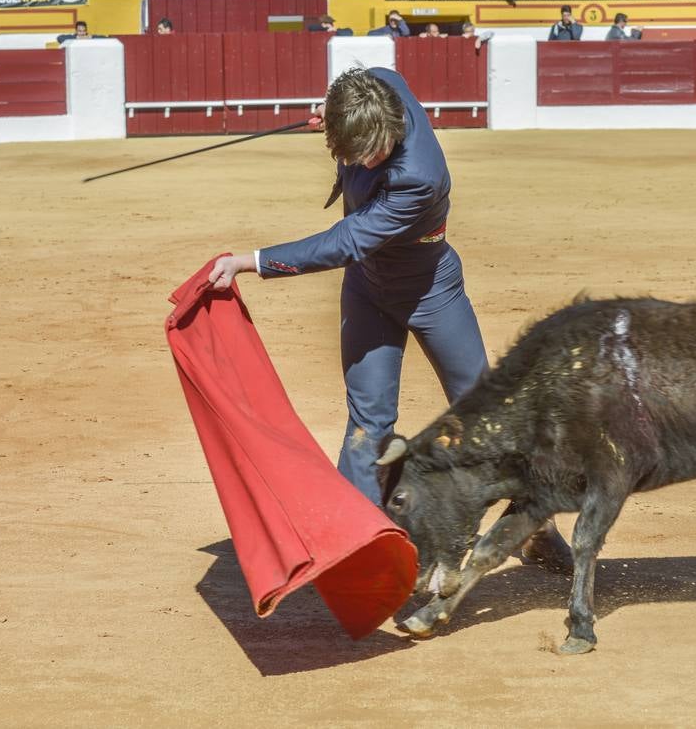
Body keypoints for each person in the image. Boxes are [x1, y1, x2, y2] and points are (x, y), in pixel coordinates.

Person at [207, 69, 571, 569]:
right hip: (369, 289)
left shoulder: (419, 176)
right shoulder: (377, 84)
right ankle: (353, 543)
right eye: (362, 150)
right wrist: (333, 115)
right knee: (368, 421)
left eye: (381, 148)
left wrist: (252, 260)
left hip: (431, 290)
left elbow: (345, 241)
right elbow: (369, 87)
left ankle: (536, 525)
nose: (375, 158)